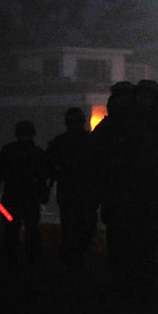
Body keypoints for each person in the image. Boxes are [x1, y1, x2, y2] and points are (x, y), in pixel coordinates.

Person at [90, 80, 158, 302]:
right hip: (121, 201)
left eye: (146, 97)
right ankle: (126, 288)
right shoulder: (116, 127)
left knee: (144, 249)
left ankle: (139, 289)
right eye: (139, 97)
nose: (141, 101)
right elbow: (92, 160)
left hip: (147, 202)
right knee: (121, 248)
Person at [0, 120, 49, 268]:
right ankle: (32, 261)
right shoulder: (37, 153)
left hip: (11, 199)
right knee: (31, 229)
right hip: (31, 200)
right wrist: (43, 194)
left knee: (11, 229)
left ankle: (11, 261)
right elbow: (44, 176)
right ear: (32, 134)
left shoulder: (8, 151)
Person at [45, 107, 97, 271]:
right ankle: (77, 259)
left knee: (70, 227)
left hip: (71, 193)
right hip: (83, 193)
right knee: (82, 228)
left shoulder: (60, 142)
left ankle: (71, 260)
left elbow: (48, 167)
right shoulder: (91, 141)